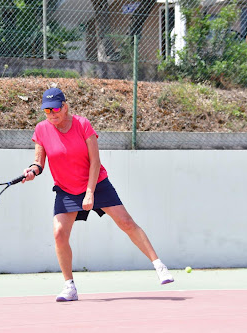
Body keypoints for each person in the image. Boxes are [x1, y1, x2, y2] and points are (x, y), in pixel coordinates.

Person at [22, 87, 174, 302]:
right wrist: (32, 171)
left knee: (126, 222)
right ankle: (69, 286)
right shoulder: (41, 129)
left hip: (97, 184)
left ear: (65, 106)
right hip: (66, 188)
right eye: (47, 110)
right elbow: (39, 162)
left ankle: (159, 266)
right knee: (59, 234)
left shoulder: (83, 125)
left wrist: (90, 193)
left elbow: (96, 162)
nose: (51, 113)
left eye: (55, 108)